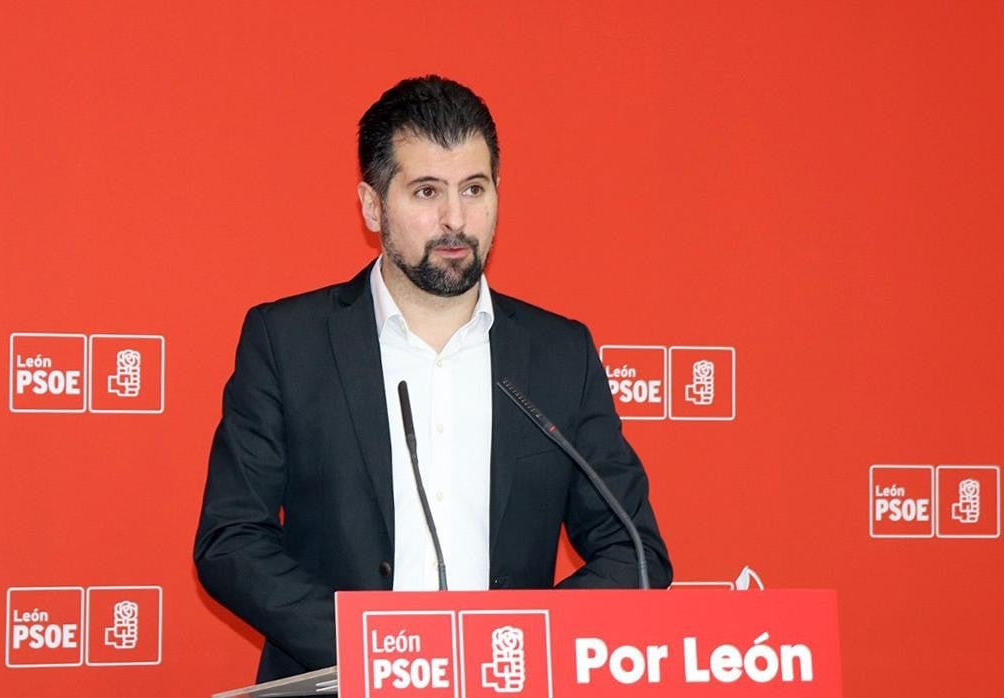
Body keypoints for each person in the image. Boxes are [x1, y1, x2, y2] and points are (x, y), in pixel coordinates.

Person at [194, 75, 672, 682]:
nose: (455, 219)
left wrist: (512, 645)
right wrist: (385, 653)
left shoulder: (558, 353)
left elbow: (634, 552)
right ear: (372, 205)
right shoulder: (288, 342)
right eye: (426, 191)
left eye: (474, 189)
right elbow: (232, 541)